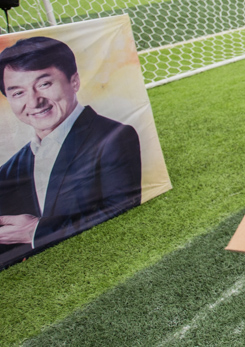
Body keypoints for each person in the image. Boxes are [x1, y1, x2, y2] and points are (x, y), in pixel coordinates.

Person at [0, 37, 141, 268]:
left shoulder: (113, 137)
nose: (34, 102)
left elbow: (122, 207)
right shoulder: (9, 170)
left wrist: (39, 231)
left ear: (74, 81)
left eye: (44, 84)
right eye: (18, 93)